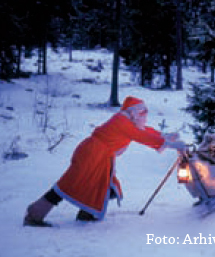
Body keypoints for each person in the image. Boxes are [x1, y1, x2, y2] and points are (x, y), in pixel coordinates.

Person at [23, 96, 186, 227]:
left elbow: (145, 131)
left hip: (100, 157)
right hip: (91, 154)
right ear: (134, 113)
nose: (144, 117)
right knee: (68, 185)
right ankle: (34, 215)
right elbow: (141, 136)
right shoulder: (121, 121)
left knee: (103, 186)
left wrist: (166, 136)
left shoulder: (129, 121)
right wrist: (171, 144)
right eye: (142, 114)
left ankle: (86, 213)